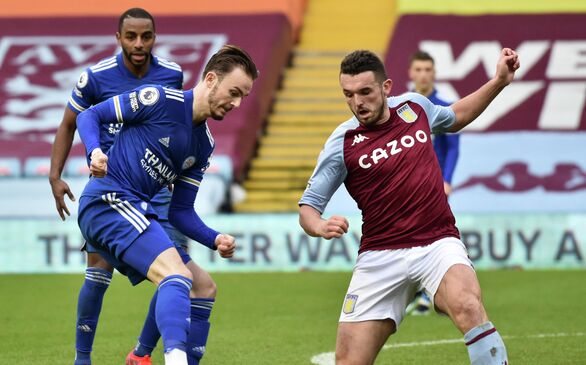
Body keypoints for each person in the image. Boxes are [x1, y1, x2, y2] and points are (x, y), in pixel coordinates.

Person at [298, 48, 519, 364]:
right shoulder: (341, 143)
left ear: (386, 88)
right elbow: (308, 207)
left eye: (365, 92)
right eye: (348, 95)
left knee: (468, 306)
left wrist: (499, 80)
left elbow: (457, 116)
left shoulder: (415, 108)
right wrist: (318, 226)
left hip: (437, 243)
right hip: (380, 256)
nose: (357, 102)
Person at [46, 8, 216, 365]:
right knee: (98, 272)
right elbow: (69, 123)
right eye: (131, 37)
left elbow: (176, 124)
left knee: (177, 271)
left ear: (155, 37)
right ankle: (83, 358)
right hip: (112, 183)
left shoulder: (171, 74)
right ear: (118, 37)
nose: (139, 44)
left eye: (146, 36)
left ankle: (141, 353)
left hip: (157, 189)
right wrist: (55, 175)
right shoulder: (95, 77)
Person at [76, 45, 258, 365]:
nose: (237, 103)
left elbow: (181, 211)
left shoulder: (203, 145)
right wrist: (94, 152)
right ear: (211, 79)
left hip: (135, 210)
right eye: (234, 92)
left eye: (243, 96)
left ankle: (140, 357)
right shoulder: (158, 99)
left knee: (202, 286)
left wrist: (214, 238)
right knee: (176, 276)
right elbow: (90, 114)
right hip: (107, 201)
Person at [406, 50, 460, 315]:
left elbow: (453, 147)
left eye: (428, 69)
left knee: (431, 239)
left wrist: (447, 179)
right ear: (411, 73)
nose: (423, 74)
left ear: (434, 73)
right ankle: (428, 293)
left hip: (433, 186)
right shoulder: (401, 107)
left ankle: (431, 294)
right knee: (407, 238)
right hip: (405, 187)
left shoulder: (442, 107)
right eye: (419, 69)